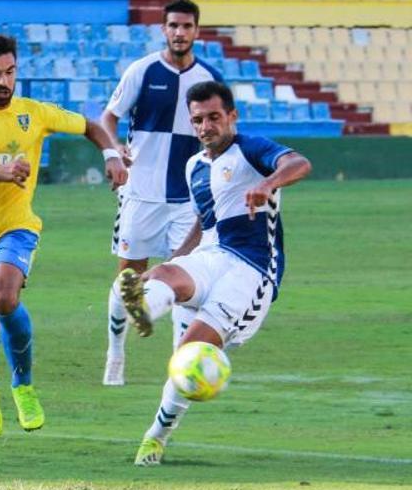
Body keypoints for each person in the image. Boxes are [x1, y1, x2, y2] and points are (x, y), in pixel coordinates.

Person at [0, 34, 128, 438]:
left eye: (10, 72)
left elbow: (91, 126)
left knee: (4, 298)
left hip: (16, 228)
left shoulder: (34, 113)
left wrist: (111, 154)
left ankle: (23, 385)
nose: (3, 82)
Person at [115, 81, 311, 466]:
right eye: (198, 120)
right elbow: (204, 220)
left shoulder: (251, 149)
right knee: (167, 274)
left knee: (187, 357)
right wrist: (175, 257)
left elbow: (299, 164)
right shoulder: (195, 166)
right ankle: (147, 308)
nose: (206, 126)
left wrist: (266, 184)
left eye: (214, 117)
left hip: (252, 272)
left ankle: (155, 437)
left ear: (232, 117)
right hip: (211, 254)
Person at [101, 0, 225, 387]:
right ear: (163, 30)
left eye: (187, 26)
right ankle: (115, 352)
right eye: (173, 25)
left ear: (197, 31)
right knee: (130, 282)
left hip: (189, 201)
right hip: (141, 195)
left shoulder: (210, 79)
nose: (179, 32)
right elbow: (107, 117)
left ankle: (178, 366)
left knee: (183, 280)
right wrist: (114, 150)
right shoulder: (143, 71)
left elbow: (221, 134)